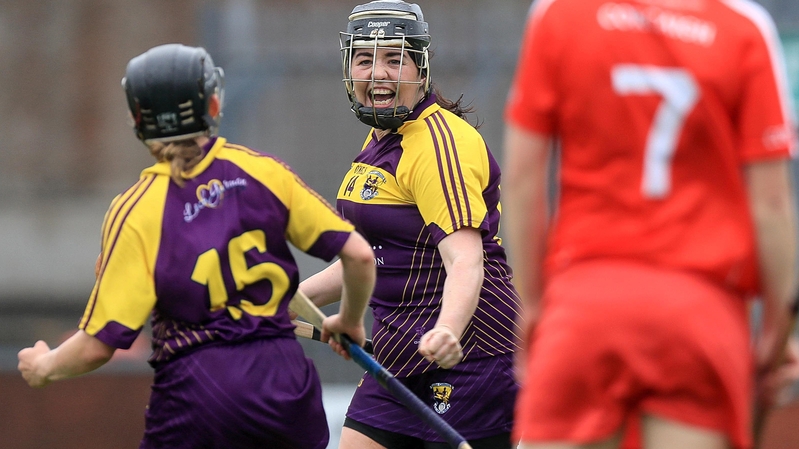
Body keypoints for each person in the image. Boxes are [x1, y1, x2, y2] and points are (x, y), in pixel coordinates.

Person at [17, 43, 376, 449]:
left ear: (138, 117)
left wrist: (45, 365)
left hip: (197, 393)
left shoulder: (135, 210)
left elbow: (99, 345)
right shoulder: (262, 172)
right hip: (285, 386)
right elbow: (359, 254)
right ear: (213, 103)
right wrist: (350, 320)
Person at [502, 0, 799, 448]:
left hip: (585, 306)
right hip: (699, 317)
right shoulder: (744, 28)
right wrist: (778, 331)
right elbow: (772, 205)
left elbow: (524, 180)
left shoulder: (560, 14)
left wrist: (531, 304)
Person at [297, 1, 523, 448]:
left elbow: (465, 259)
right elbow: (369, 258)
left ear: (420, 71)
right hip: (397, 358)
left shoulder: (440, 144)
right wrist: (291, 298)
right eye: (365, 59)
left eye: (394, 58)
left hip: (471, 357)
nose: (378, 73)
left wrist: (448, 331)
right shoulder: (380, 141)